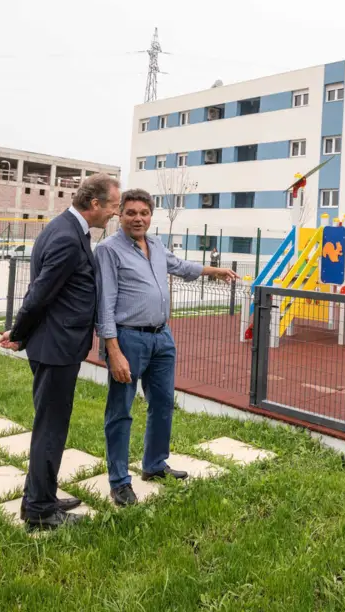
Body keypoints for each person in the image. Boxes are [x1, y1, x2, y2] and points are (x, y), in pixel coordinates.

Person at [96, 190, 239, 507]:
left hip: (162, 338)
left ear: (150, 215)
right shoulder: (108, 250)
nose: (138, 218)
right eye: (131, 212)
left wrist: (214, 271)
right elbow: (104, 303)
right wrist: (113, 349)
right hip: (127, 339)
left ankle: (155, 465)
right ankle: (119, 482)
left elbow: (180, 265)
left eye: (144, 212)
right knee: (120, 411)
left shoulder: (157, 245)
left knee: (163, 404)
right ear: (120, 214)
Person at [0, 173, 120, 531]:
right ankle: (39, 510)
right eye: (112, 206)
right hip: (56, 348)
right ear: (94, 204)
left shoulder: (65, 228)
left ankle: (43, 496)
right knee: (50, 430)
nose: (114, 213)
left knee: (50, 427)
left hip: (55, 344)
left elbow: (50, 294)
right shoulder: (68, 237)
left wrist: (23, 333)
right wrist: (19, 333)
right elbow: (39, 294)